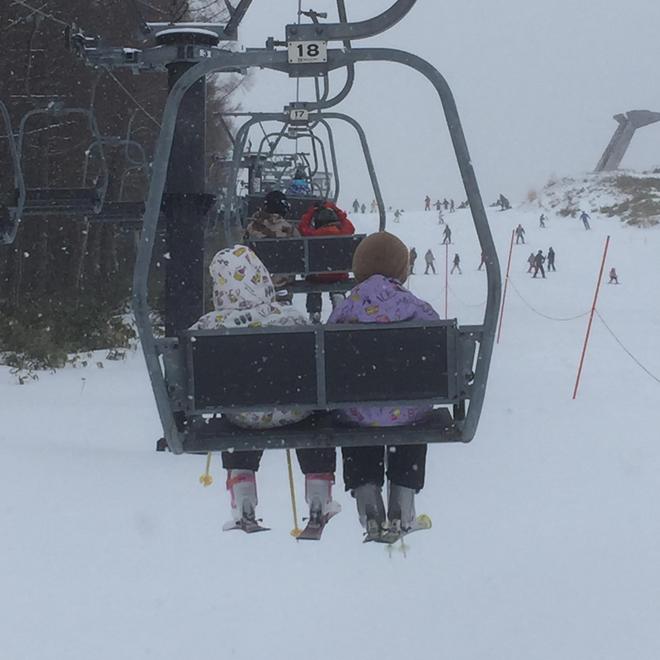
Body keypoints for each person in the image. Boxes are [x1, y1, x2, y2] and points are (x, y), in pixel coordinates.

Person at [191, 246, 340, 531]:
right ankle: (319, 495)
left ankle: (243, 497)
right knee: (315, 416)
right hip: (295, 411)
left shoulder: (209, 326)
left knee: (236, 419)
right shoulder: (290, 317)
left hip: (242, 417)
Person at [327, 231, 440, 538]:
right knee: (411, 419)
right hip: (408, 409)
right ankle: (403, 499)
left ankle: (367, 498)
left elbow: (328, 356)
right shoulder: (417, 307)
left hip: (357, 413)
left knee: (358, 421)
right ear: (403, 270)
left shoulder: (345, 309)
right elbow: (439, 350)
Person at [298, 201, 356, 322]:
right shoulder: (343, 233)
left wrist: (311, 211)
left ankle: (315, 310)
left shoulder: (312, 235)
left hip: (317, 276)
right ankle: (338, 296)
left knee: (312, 282)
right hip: (338, 275)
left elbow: (302, 226)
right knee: (338, 278)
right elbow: (350, 226)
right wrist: (335, 209)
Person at [244, 190, 297, 298]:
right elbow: (299, 253)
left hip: (256, 281)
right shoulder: (288, 229)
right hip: (281, 282)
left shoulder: (251, 227)